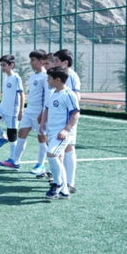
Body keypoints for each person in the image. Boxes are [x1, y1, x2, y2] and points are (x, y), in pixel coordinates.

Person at [0, 50, 48, 170]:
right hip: (29, 110)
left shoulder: (45, 77)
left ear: (41, 62)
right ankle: (14, 161)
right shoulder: (33, 75)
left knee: (42, 137)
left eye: (33, 60)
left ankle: (41, 164)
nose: (30, 63)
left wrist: (43, 113)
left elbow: (47, 97)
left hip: (39, 112)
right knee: (21, 133)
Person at [39, 66, 80, 200]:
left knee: (51, 154)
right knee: (58, 159)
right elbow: (48, 110)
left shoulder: (68, 94)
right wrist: (43, 127)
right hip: (52, 133)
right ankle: (64, 192)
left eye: (49, 79)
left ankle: (58, 183)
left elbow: (75, 114)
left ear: (57, 79)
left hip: (62, 134)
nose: (47, 81)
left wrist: (66, 129)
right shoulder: (52, 93)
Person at [0, 54, 24, 167]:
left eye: (4, 65)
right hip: (3, 107)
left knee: (12, 135)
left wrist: (21, 111)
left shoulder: (16, 77)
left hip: (12, 111)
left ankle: (13, 160)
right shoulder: (6, 77)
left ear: (11, 65)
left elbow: (22, 94)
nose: (2, 67)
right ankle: (2, 137)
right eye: (1, 65)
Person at [53, 49, 81, 194]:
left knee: (69, 147)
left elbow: (76, 97)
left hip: (68, 119)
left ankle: (70, 182)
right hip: (58, 118)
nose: (54, 63)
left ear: (65, 62)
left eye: (56, 60)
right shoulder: (58, 75)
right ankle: (60, 180)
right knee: (59, 149)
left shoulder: (72, 76)